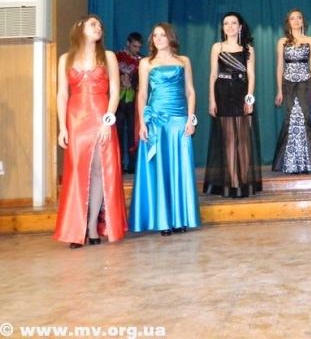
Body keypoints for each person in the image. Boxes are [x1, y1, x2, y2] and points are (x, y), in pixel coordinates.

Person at [54, 15, 128, 248]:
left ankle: (93, 225)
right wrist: (62, 127)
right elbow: (62, 94)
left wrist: (107, 121)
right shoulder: (65, 59)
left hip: (100, 115)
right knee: (77, 171)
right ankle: (76, 228)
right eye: (93, 24)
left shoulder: (108, 56)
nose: (98, 28)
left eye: (100, 26)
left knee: (98, 171)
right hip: (76, 118)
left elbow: (115, 92)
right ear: (80, 28)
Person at [128, 23, 201, 235]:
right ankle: (163, 220)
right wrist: (142, 123)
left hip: (179, 120)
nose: (159, 39)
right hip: (156, 121)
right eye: (155, 35)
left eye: (162, 35)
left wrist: (191, 119)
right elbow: (142, 94)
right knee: (159, 169)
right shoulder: (146, 62)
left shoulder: (183, 61)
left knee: (179, 167)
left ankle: (180, 218)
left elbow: (190, 92)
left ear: (171, 37)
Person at [204, 12, 262, 198]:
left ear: (240, 27)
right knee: (229, 139)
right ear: (223, 27)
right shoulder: (217, 47)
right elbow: (213, 74)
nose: (229, 26)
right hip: (223, 93)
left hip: (241, 92)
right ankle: (234, 181)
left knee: (243, 139)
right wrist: (212, 99)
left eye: (233, 23)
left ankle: (243, 180)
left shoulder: (248, 48)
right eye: (226, 23)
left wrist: (249, 98)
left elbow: (251, 75)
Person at [272, 9, 311, 174]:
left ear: (303, 21)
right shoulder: (282, 42)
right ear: (288, 22)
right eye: (292, 18)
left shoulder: (310, 40)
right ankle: (289, 162)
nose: (296, 21)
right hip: (288, 84)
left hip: (305, 83)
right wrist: (279, 90)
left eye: (299, 18)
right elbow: (280, 67)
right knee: (290, 119)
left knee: (305, 118)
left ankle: (309, 162)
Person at [115, 32, 143, 174]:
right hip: (118, 101)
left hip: (133, 101)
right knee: (118, 132)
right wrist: (120, 80)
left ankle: (133, 165)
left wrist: (132, 81)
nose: (136, 50)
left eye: (139, 47)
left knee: (133, 133)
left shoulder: (141, 60)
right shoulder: (116, 56)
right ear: (128, 43)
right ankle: (118, 164)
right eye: (134, 46)